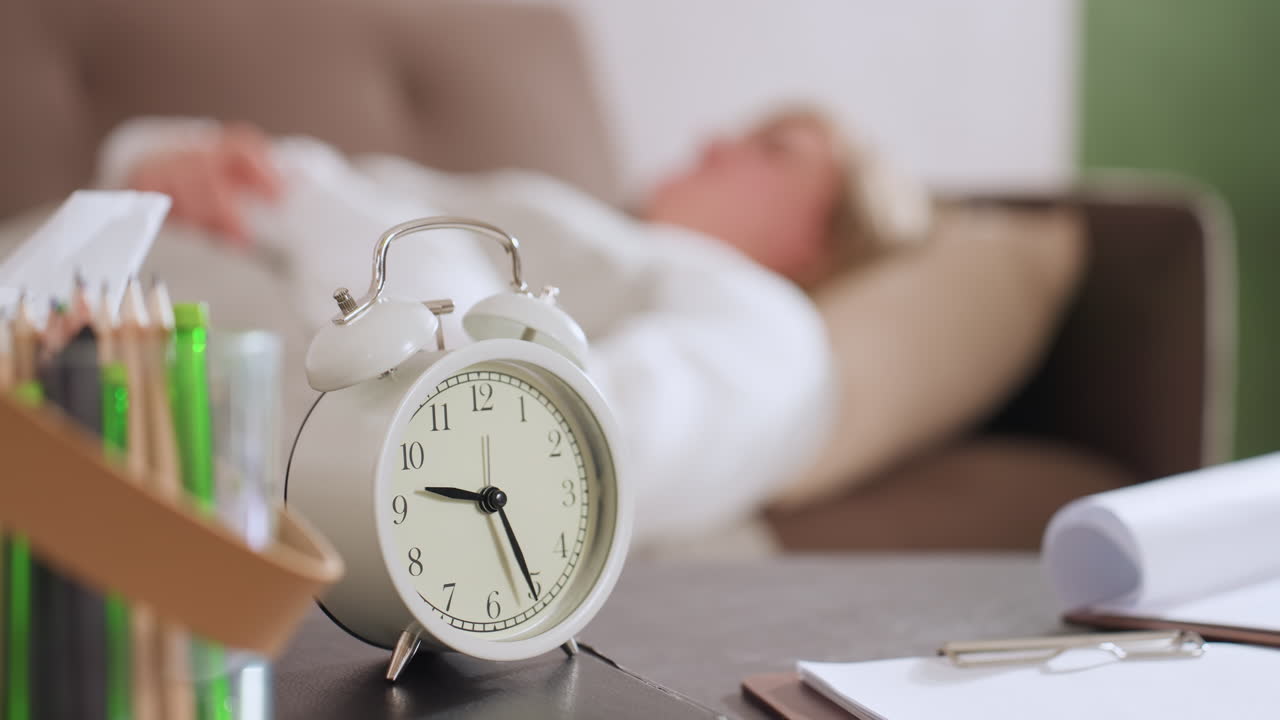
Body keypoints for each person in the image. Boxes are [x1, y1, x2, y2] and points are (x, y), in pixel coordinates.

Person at [97, 110, 930, 548]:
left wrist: (302, 198)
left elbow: (548, 435)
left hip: (107, 410)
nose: (716, 140)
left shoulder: (771, 329)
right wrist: (170, 154)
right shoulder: (594, 229)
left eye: (772, 147)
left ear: (818, 236)